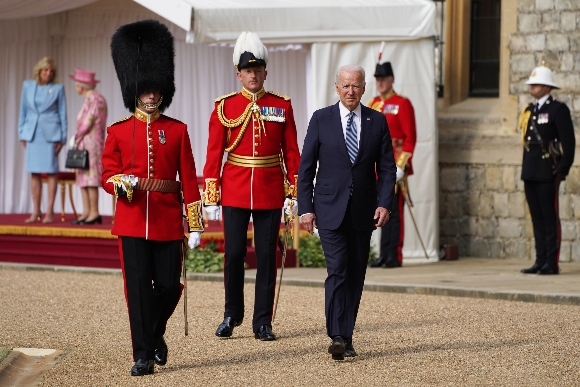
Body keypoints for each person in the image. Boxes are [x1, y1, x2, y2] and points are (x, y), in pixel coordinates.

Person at [102, 19, 204, 376]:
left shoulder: (176, 131)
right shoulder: (117, 131)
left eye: (155, 89)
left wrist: (195, 224)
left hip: (166, 219)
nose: (150, 95)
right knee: (138, 292)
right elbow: (106, 174)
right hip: (131, 219)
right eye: (145, 90)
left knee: (166, 287)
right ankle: (142, 354)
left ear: (162, 90)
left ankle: (155, 333)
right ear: (135, 90)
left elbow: (189, 179)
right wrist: (119, 183)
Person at [202, 31, 300, 342]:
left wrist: (293, 192)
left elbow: (291, 151)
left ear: (265, 73)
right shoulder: (224, 107)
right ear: (239, 74)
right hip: (234, 188)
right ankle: (232, 313)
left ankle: (262, 322)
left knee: (267, 256)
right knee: (233, 254)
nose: (253, 75)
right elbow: (214, 153)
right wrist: (211, 194)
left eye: (258, 70)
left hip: (270, 189)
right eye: (248, 71)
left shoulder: (280, 105)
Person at [298, 64, 396, 360]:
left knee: (355, 273)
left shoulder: (377, 121)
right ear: (336, 87)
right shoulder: (321, 119)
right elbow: (306, 168)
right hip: (329, 209)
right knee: (337, 270)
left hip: (363, 212)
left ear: (364, 88)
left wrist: (384, 203)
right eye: (345, 86)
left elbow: (388, 168)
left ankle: (348, 334)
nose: (350, 91)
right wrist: (306, 210)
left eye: (356, 86)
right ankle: (337, 335)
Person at [519, 63, 575, 275]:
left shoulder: (557, 109)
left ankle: (551, 262)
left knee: (549, 217)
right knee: (537, 217)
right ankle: (540, 259)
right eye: (531, 84)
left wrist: (562, 169)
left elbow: (568, 143)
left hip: (547, 169)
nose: (532, 87)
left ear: (547, 87)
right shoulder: (530, 110)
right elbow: (526, 142)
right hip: (531, 169)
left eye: (536, 84)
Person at [367, 61, 417, 268]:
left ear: (392, 80)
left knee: (394, 212)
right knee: (379, 210)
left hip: (394, 165)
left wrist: (401, 165)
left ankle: (394, 255)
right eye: (378, 79)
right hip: (377, 167)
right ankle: (383, 254)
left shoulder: (402, 103)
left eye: (384, 79)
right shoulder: (372, 103)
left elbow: (410, 138)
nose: (381, 83)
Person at [18, 57, 67, 224]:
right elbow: (23, 111)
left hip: (51, 134)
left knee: (51, 172)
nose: (49, 73)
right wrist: (22, 133)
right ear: (39, 70)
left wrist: (62, 137)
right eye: (46, 70)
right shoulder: (28, 86)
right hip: (32, 133)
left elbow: (62, 114)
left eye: (51, 71)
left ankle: (50, 211)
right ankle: (35, 210)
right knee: (34, 172)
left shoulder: (58, 88)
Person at [68, 68, 107, 225]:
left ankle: (94, 213)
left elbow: (87, 122)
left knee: (91, 178)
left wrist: (76, 137)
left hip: (92, 144)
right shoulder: (90, 99)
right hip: (85, 143)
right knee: (84, 178)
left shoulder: (96, 99)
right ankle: (86, 212)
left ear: (81, 85)